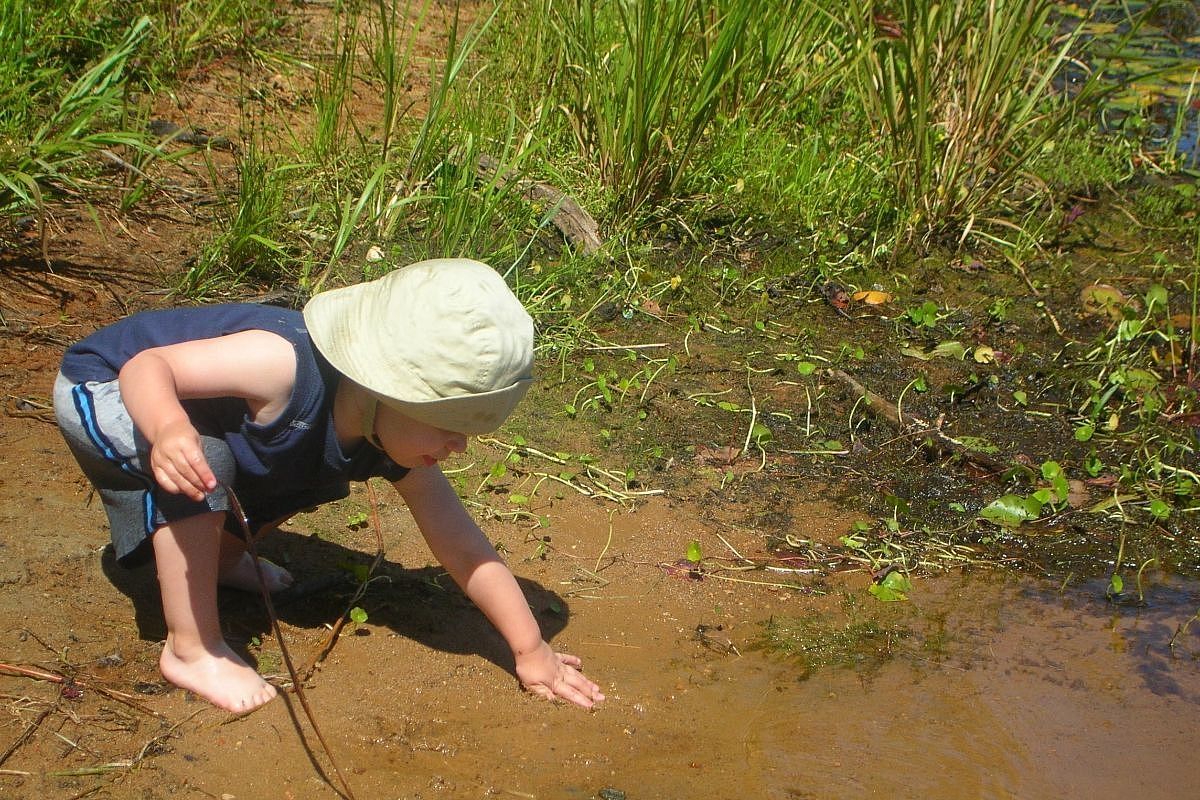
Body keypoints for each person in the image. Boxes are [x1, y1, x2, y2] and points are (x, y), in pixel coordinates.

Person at [53, 257, 605, 714]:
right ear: (387, 390)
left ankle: (215, 562)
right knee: (210, 458)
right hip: (106, 388)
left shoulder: (388, 433)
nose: (459, 447)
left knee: (296, 468)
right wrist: (168, 429)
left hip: (195, 413)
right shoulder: (282, 365)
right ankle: (192, 647)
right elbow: (148, 369)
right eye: (450, 427)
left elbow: (463, 546)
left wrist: (531, 649)